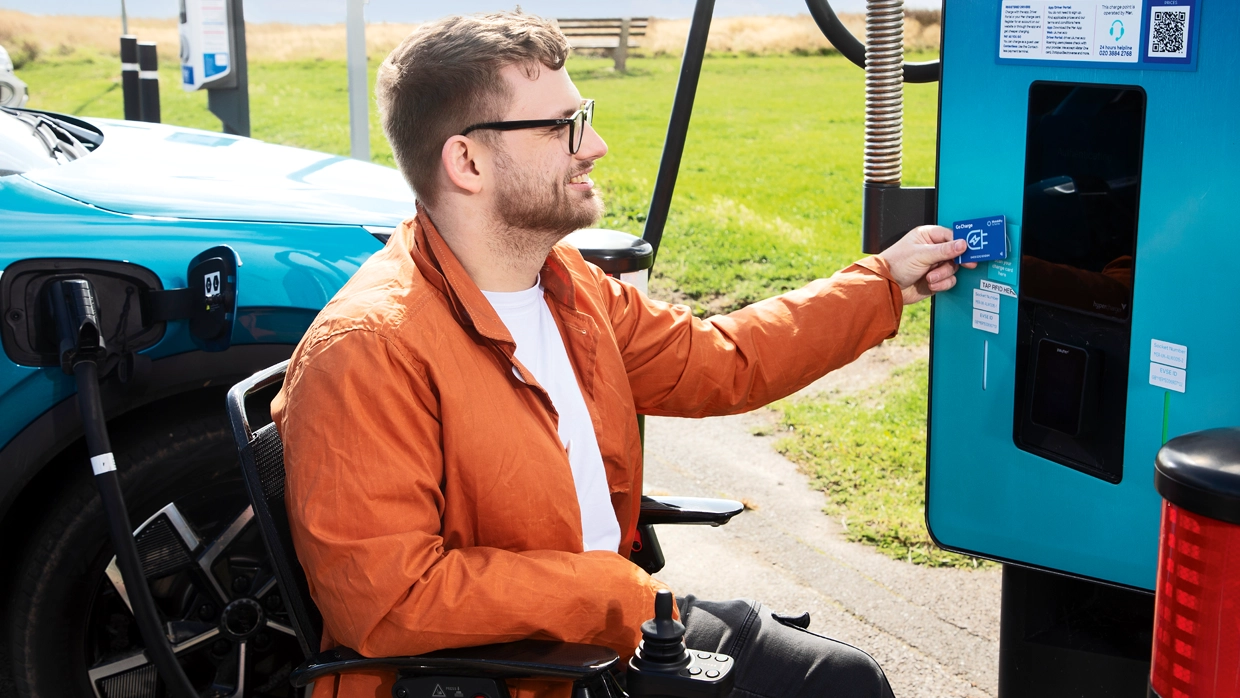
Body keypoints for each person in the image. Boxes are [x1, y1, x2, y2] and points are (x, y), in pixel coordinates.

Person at [271, 11, 971, 698]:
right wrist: (612, 593)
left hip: (600, 633)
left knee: (842, 679)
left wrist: (881, 284)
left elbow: (719, 359)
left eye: (587, 116)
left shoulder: (563, 284)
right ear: (467, 161)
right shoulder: (368, 349)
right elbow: (389, 600)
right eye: (563, 126)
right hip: (508, 673)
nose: (596, 144)